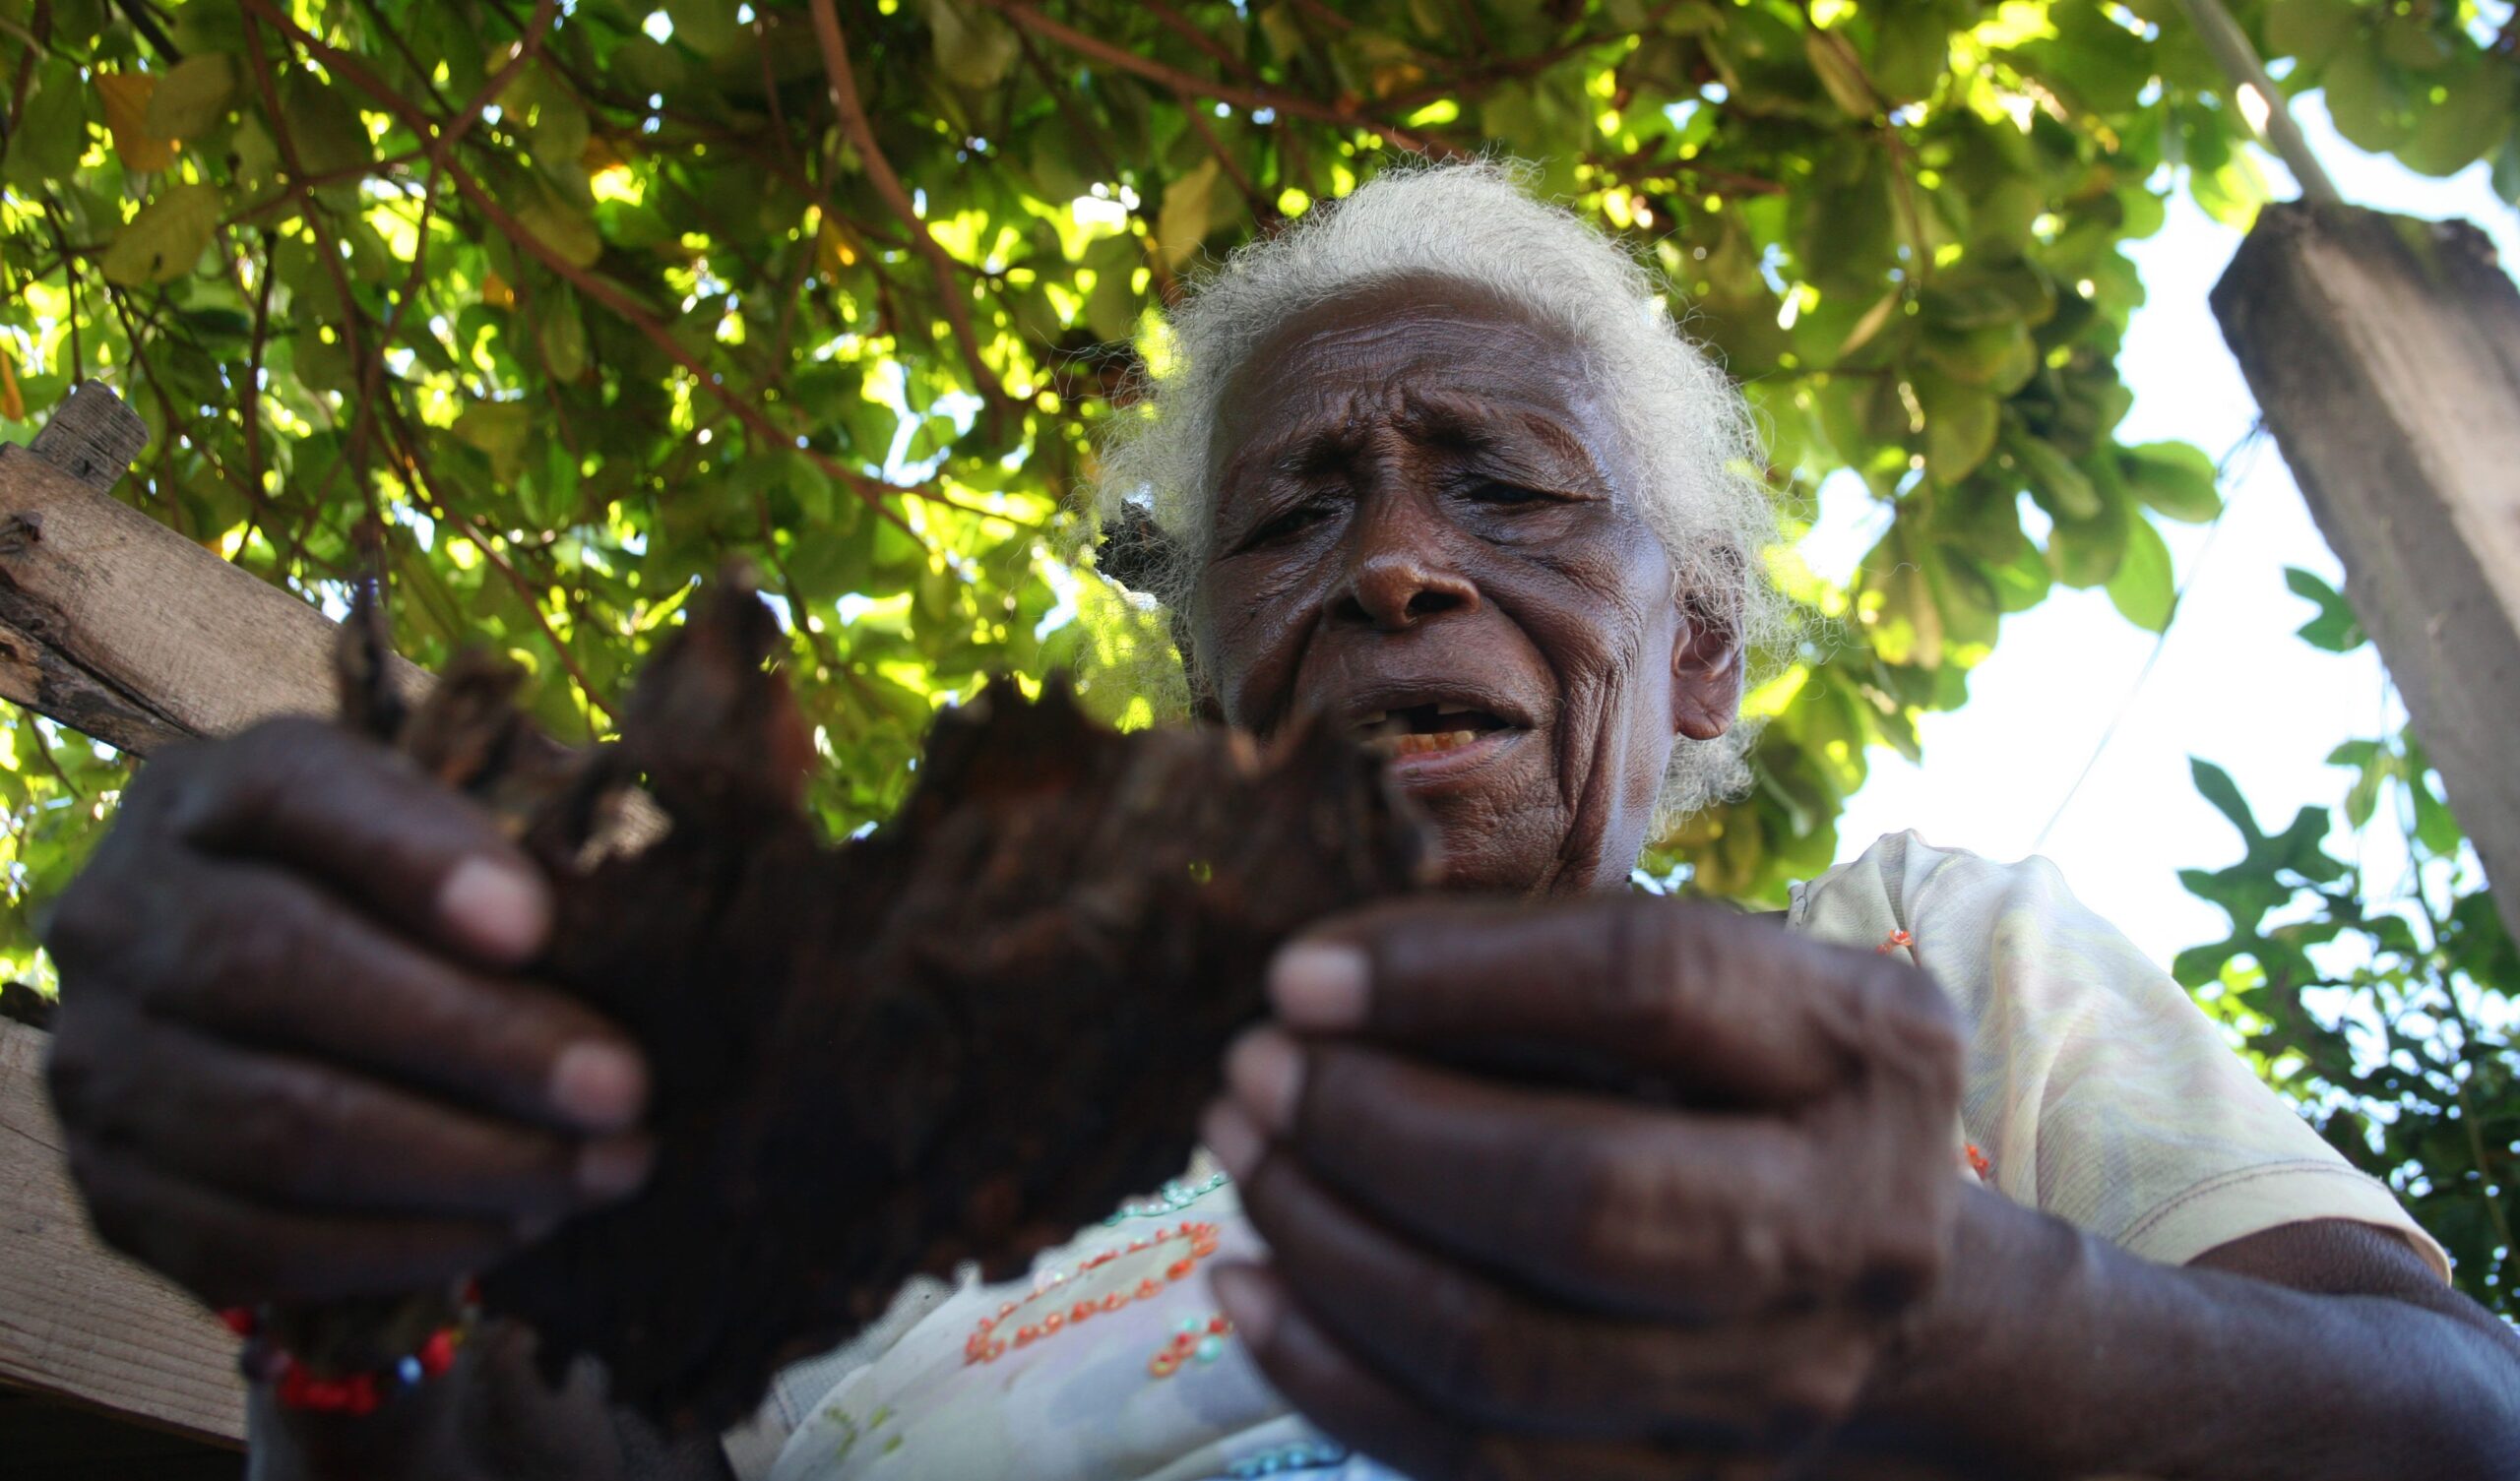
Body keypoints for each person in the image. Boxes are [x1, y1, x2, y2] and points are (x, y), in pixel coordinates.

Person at [40, 162, 2520, 1481]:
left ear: (1693, 659)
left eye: (1509, 495)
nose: (1400, 560)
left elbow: (2453, 1423)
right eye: (1296, 518)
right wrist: (342, 1260)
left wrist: (2005, 1317)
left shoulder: (1929, 950)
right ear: (1211, 686)